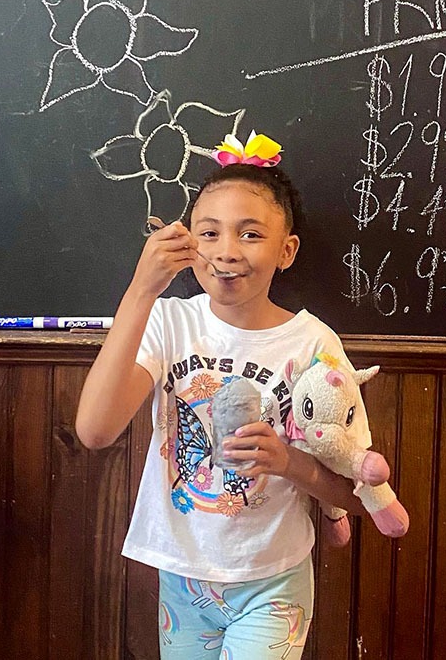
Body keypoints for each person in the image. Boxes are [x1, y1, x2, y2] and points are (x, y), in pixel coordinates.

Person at [75, 131, 371, 660]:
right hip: (182, 576)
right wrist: (143, 288)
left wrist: (288, 463)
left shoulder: (314, 344)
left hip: (272, 580)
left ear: (287, 251)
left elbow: (355, 490)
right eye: (208, 233)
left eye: (251, 234)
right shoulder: (168, 320)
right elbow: (95, 430)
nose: (226, 252)